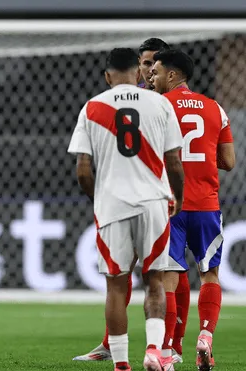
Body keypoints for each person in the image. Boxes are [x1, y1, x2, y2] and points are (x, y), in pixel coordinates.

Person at [67, 48, 184, 371]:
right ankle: (152, 350)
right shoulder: (160, 103)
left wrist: (99, 197)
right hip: (153, 203)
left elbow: (81, 170)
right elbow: (174, 161)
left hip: (113, 205)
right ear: (138, 73)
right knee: (155, 281)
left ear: (107, 77)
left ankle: (120, 363)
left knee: (116, 286)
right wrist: (179, 196)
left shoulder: (92, 107)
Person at [150, 49, 235, 371]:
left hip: (169, 204)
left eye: (156, 72)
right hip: (206, 205)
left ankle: (170, 350)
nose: (151, 77)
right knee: (209, 274)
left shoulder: (157, 106)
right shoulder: (215, 108)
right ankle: (205, 336)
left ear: (173, 75)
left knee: (168, 279)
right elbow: (228, 161)